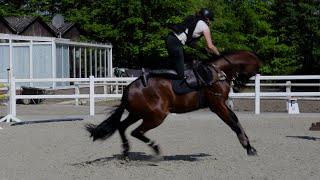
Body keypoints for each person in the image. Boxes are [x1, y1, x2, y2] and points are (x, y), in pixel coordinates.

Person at [166, 8, 220, 79]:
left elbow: (189, 42)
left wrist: (201, 49)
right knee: (180, 75)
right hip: (175, 43)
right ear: (207, 18)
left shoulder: (194, 19)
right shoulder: (205, 27)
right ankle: (150, 73)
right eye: (210, 19)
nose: (210, 22)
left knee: (188, 63)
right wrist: (219, 55)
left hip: (171, 39)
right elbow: (210, 46)